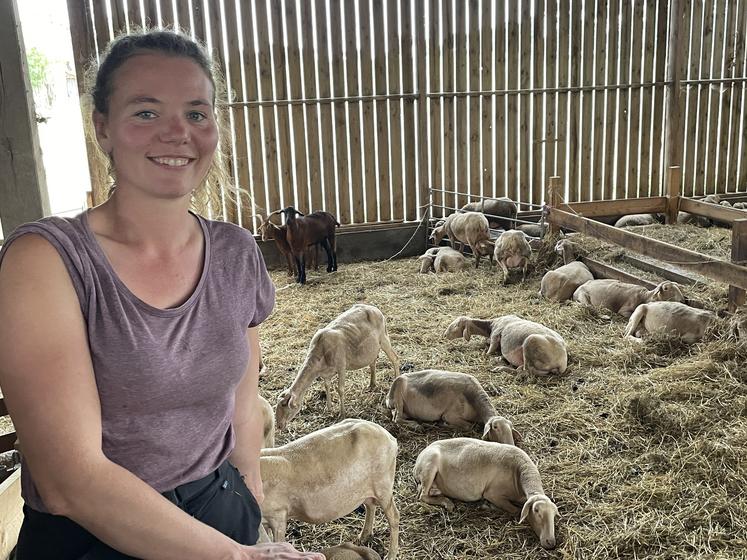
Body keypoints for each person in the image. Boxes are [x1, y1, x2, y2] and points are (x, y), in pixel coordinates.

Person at [0, 29, 324, 560]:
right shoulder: (47, 260)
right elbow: (68, 480)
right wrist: (236, 557)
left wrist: (248, 497)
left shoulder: (236, 252)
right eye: (146, 113)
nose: (178, 133)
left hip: (218, 506)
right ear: (102, 128)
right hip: (94, 535)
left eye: (197, 113)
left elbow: (242, 403)